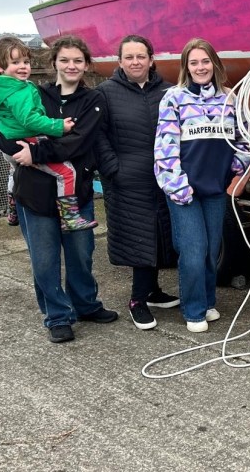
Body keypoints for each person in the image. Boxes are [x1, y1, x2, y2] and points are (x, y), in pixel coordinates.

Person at [0, 35, 118, 343]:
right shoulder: (33, 93)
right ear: (53, 64)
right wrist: (10, 146)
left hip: (76, 192)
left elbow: (79, 141)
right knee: (45, 260)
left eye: (78, 60)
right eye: (64, 60)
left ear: (86, 65)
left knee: (81, 255)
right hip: (34, 193)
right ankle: (57, 316)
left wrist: (35, 153)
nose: (71, 65)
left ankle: (86, 304)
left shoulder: (94, 100)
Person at [154, 38, 250, 332]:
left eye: (205, 61)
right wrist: (177, 186)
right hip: (184, 190)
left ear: (214, 64)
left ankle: (208, 302)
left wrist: (232, 170)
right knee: (194, 251)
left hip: (214, 190)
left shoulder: (228, 98)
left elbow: (243, 140)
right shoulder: (173, 98)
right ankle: (193, 310)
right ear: (186, 66)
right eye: (194, 62)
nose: (200, 67)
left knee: (211, 250)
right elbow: (165, 146)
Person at [95, 35, 180, 331]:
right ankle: (136, 300)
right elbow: (98, 136)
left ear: (151, 59)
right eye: (129, 57)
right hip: (125, 179)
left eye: (141, 56)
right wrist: (113, 169)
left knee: (159, 235)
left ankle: (153, 290)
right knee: (138, 238)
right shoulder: (105, 93)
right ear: (119, 62)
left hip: (161, 177)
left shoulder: (169, 91)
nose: (135, 62)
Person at [0, 36, 97, 231]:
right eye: (16, 62)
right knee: (67, 172)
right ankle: (69, 217)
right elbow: (30, 120)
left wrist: (3, 135)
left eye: (26, 62)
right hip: (22, 140)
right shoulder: (21, 91)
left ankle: (12, 209)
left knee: (13, 170)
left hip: (10, 141)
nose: (23, 67)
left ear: (86, 65)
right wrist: (59, 126)